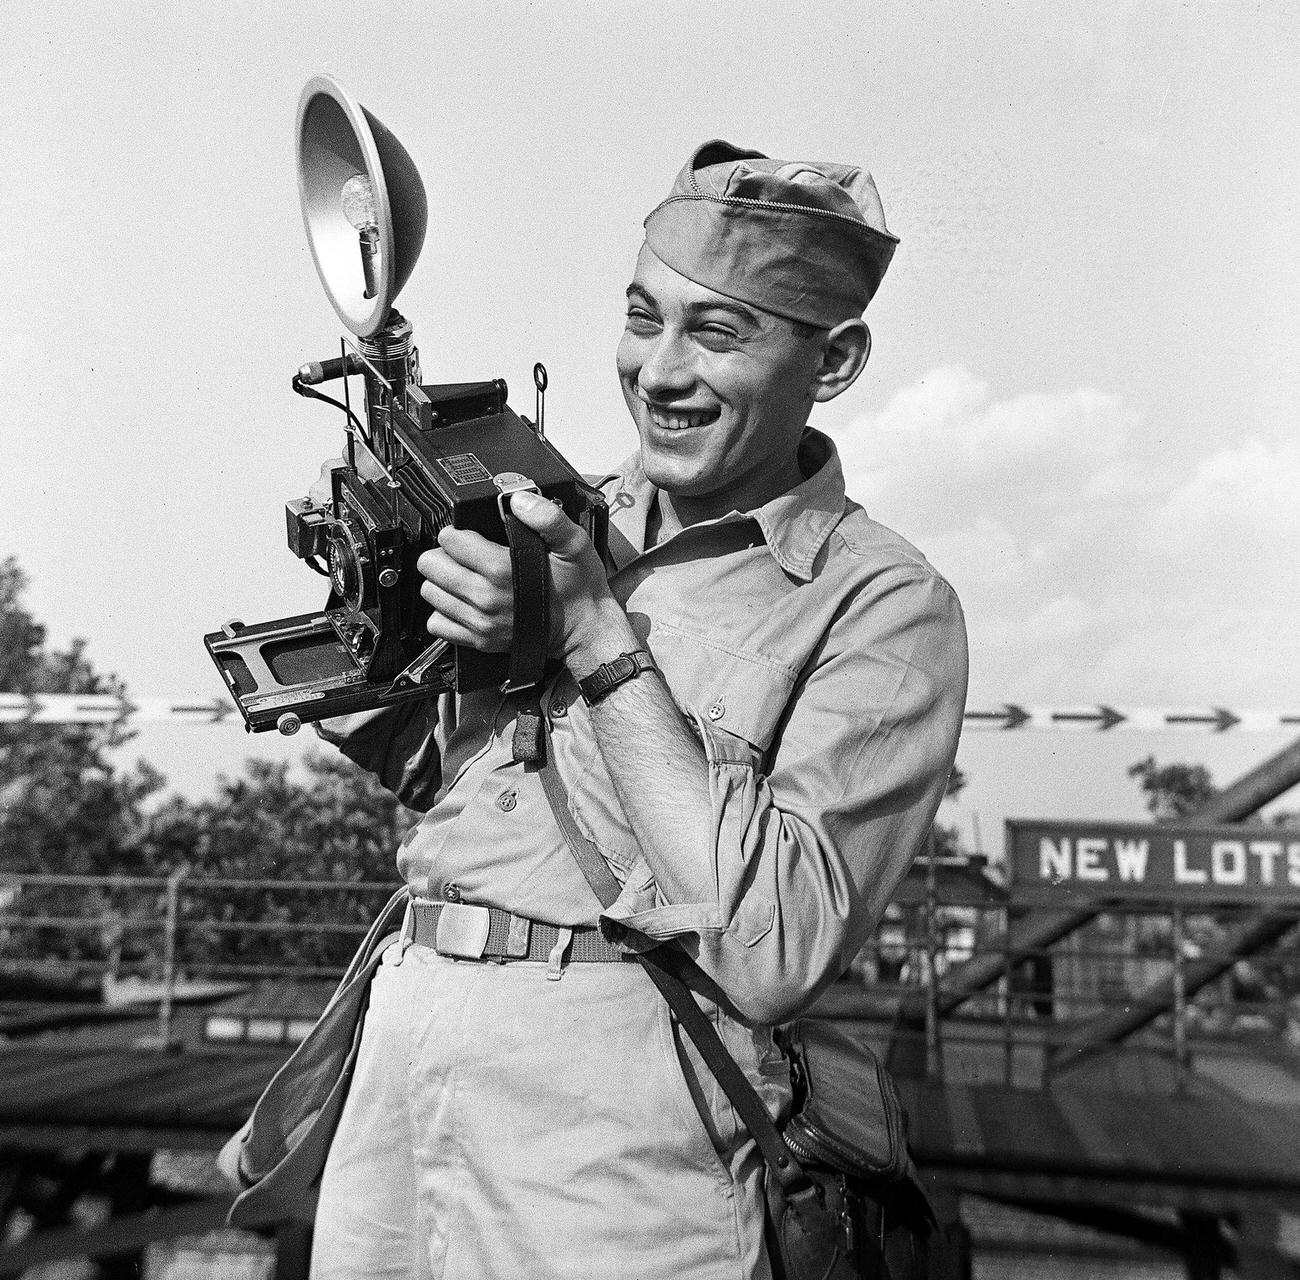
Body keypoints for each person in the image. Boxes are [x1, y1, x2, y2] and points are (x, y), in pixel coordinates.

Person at [309, 140, 968, 1280]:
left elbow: (773, 951)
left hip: (620, 1122)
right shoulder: (548, 512)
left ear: (837, 357)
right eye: (641, 316)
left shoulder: (884, 605)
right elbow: (448, 787)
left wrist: (594, 635)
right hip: (406, 1055)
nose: (657, 370)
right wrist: (381, 600)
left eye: (717, 332)